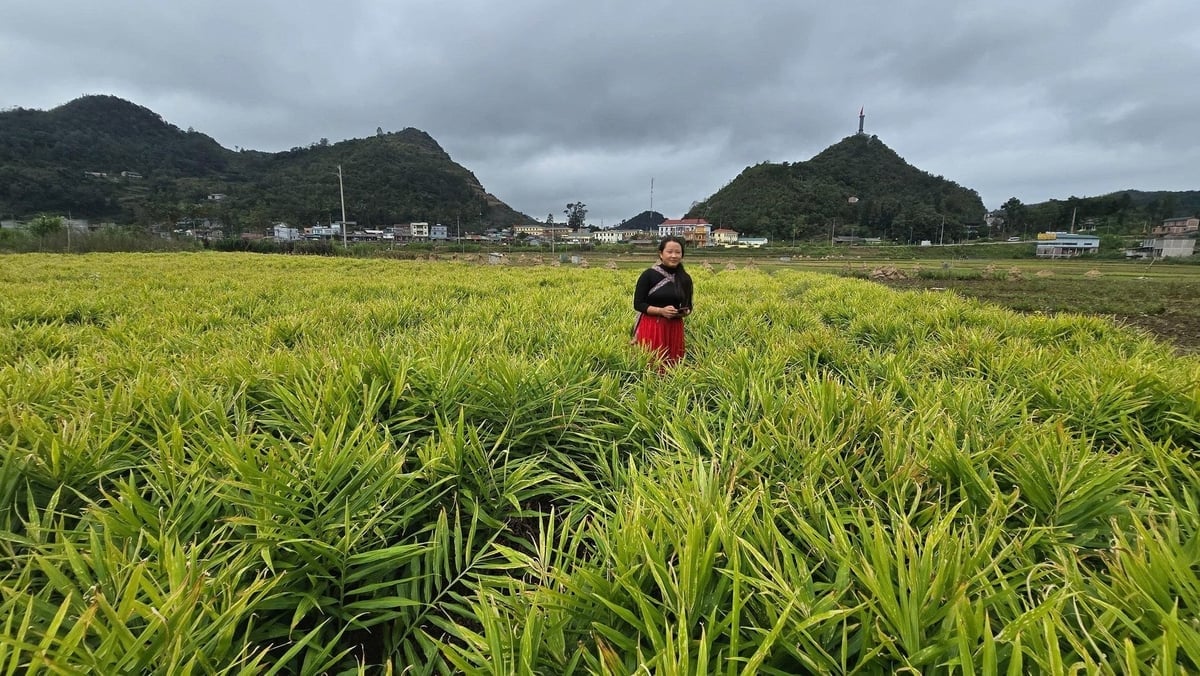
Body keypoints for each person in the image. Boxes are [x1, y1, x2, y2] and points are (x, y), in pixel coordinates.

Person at [631, 236, 693, 366]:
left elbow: (688, 306)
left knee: (673, 366)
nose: (674, 256)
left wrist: (683, 312)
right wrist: (661, 311)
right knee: (652, 364)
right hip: (652, 326)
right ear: (661, 254)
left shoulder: (685, 278)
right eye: (669, 252)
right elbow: (638, 304)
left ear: (682, 255)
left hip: (674, 327)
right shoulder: (649, 275)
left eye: (678, 252)